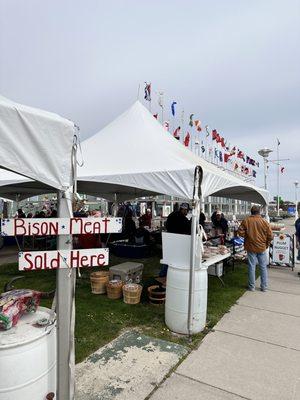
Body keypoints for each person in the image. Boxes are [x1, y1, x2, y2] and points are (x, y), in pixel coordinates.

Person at [238, 205, 273, 292]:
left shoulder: (246, 220)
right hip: (261, 247)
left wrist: (247, 236)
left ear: (251, 212)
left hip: (251, 246)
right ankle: (264, 287)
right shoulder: (264, 221)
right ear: (259, 212)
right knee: (263, 267)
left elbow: (240, 232)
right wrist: (266, 244)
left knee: (251, 266)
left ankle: (251, 286)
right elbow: (271, 236)